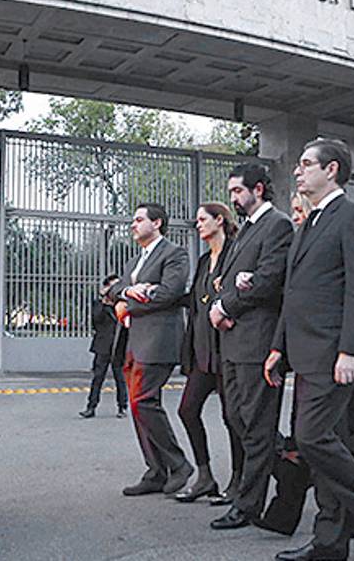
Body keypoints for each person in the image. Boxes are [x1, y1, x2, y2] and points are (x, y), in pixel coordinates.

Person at [265, 138, 354, 561]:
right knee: (326, 443)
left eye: (306, 164)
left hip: (333, 353)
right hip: (306, 354)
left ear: (332, 170)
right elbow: (295, 294)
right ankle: (329, 542)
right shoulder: (309, 223)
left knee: (311, 438)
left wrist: (351, 351)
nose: (298, 171)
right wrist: (278, 348)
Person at [207, 163, 294, 527]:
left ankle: (248, 505)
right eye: (231, 192)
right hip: (232, 340)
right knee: (236, 418)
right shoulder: (246, 229)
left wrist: (227, 305)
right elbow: (230, 280)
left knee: (256, 425)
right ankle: (292, 467)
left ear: (258, 189)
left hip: (257, 342)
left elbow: (270, 280)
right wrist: (223, 298)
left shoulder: (278, 225)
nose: (233, 199)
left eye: (238, 191)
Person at [110, 202, 194, 497]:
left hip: (158, 339)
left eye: (138, 219)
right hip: (133, 341)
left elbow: (169, 292)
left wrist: (127, 304)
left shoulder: (174, 254)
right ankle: (156, 471)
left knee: (142, 401)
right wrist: (127, 292)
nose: (133, 225)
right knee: (139, 406)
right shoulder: (135, 261)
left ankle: (178, 464)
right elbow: (114, 289)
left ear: (156, 223)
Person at [176, 203, 246, 502]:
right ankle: (205, 476)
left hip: (227, 348)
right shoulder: (205, 260)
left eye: (203, 219)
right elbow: (195, 300)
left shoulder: (235, 252)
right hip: (203, 351)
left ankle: (239, 480)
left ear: (219, 220)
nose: (198, 224)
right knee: (187, 410)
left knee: (233, 417)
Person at [79, 274, 128, 419]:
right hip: (103, 345)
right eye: (112, 286)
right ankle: (91, 407)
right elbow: (96, 320)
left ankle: (122, 407)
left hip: (119, 344)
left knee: (120, 378)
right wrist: (104, 302)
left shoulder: (122, 304)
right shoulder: (99, 304)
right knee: (98, 377)